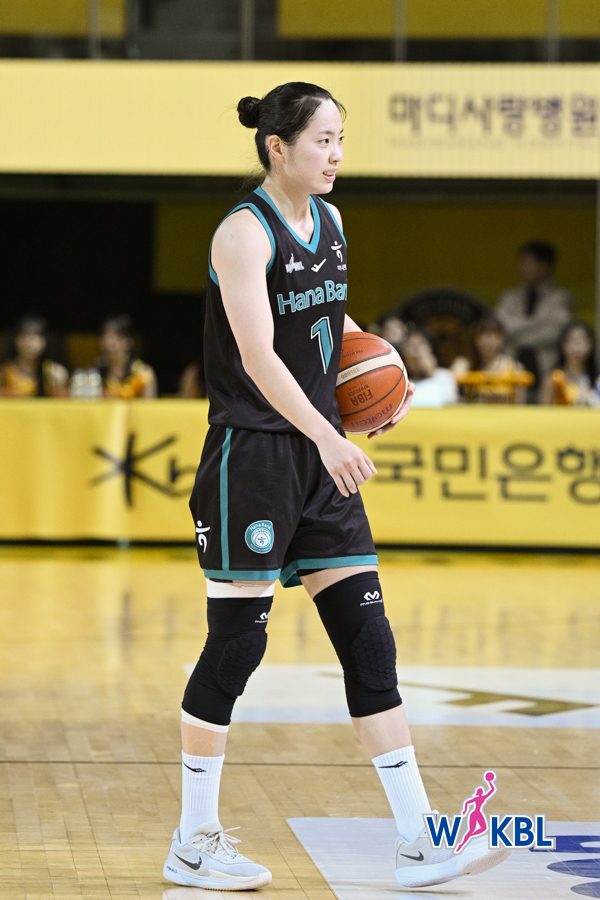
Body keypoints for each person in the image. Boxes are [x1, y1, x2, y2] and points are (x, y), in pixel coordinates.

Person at [163, 81, 510, 893]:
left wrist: (384, 376)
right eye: (323, 140)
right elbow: (258, 354)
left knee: (369, 641)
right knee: (237, 646)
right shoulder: (242, 234)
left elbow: (331, 325)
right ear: (277, 147)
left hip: (321, 463)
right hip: (252, 460)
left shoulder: (333, 221)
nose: (337, 155)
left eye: (341, 139)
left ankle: (419, 838)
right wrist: (326, 434)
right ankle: (193, 839)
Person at [495, 241, 573, 390]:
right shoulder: (509, 297)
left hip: (547, 374)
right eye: (521, 262)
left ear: (544, 267)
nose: (521, 267)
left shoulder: (561, 298)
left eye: (527, 262)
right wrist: (536, 322)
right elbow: (501, 327)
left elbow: (554, 333)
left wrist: (516, 333)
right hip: (510, 374)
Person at [451, 316, 527, 403]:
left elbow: (519, 404)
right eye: (485, 335)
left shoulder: (514, 367)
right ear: (476, 338)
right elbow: (451, 384)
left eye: (495, 336)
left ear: (502, 338)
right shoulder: (466, 363)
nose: (490, 341)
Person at [0, 315, 68, 397]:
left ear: (45, 341)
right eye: (25, 336)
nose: (31, 343)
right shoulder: (5, 372)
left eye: (37, 337)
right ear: (16, 340)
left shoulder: (56, 372)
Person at [540, 321, 599, 406]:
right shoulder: (552, 379)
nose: (576, 346)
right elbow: (543, 409)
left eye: (582, 340)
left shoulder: (598, 380)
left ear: (591, 345)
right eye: (571, 340)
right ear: (562, 345)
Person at [97, 315, 157, 399]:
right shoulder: (97, 372)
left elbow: (149, 405)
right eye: (106, 336)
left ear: (129, 341)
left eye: (116, 337)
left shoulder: (143, 374)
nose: (109, 342)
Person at [401, 330, 458, 408]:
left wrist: (429, 370)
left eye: (420, 344)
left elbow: (452, 405)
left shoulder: (444, 376)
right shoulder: (403, 383)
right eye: (411, 346)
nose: (416, 351)